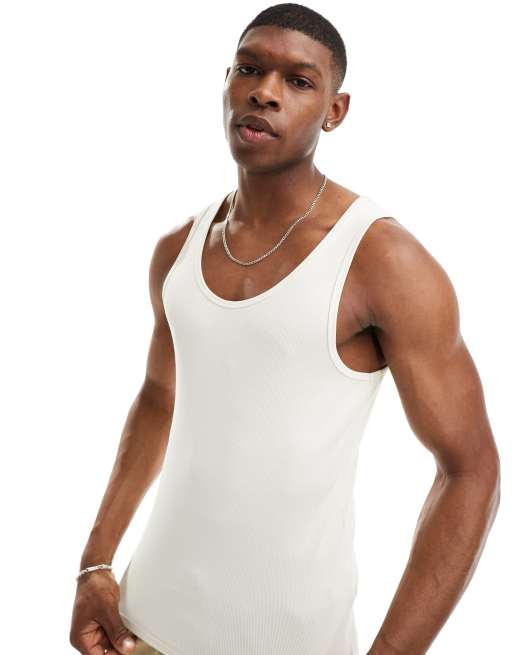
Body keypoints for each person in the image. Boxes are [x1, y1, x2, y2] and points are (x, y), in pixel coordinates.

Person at [69, 4, 501, 655]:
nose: (264, 92)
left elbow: (471, 471)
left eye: (298, 81)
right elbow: (159, 398)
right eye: (249, 69)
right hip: (143, 627)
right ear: (226, 82)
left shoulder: (381, 260)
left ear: (335, 110)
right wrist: (94, 564)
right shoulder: (178, 250)